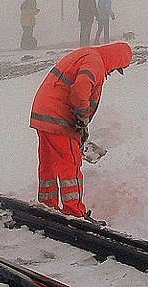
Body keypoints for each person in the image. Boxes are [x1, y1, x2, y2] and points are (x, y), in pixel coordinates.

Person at [29, 41, 133, 218]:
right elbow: (80, 89)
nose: (113, 72)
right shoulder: (95, 62)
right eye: (117, 68)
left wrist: (81, 123)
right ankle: (74, 211)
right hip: (59, 117)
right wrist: (82, 118)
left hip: (44, 113)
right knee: (70, 165)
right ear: (116, 60)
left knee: (49, 164)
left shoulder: (87, 55)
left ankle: (48, 205)